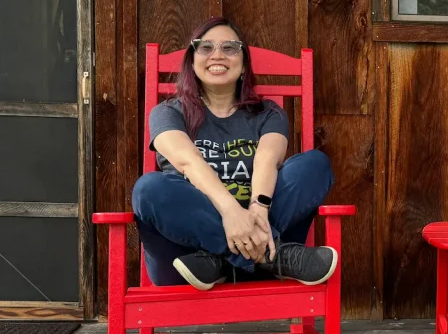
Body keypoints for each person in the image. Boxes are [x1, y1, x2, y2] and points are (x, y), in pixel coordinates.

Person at [131, 16, 337, 291]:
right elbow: (187, 161)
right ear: (192, 62)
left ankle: (224, 259)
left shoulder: (268, 113)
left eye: (230, 47)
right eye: (205, 47)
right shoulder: (168, 112)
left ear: (243, 65)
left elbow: (268, 158)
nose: (218, 54)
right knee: (148, 189)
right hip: (185, 259)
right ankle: (267, 256)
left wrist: (258, 208)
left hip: (230, 245)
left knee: (314, 164)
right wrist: (230, 213)